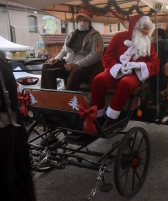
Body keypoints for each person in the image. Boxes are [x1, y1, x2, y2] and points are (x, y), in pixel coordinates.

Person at [91, 15, 160, 128]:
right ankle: (98, 115)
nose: (146, 31)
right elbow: (107, 57)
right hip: (117, 69)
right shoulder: (119, 37)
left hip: (135, 73)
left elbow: (155, 63)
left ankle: (111, 118)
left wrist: (139, 65)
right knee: (98, 80)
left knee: (125, 83)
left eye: (148, 28)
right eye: (144, 28)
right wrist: (119, 68)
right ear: (136, 26)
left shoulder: (149, 43)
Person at [0, 57, 36, 201]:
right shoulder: (71, 38)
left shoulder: (92, 37)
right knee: (49, 68)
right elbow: (64, 51)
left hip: (81, 65)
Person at [41, 9, 104, 91]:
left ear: (89, 22)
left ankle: (68, 99)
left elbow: (96, 54)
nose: (82, 22)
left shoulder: (95, 36)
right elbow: (64, 50)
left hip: (85, 68)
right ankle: (48, 97)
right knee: (47, 67)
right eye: (80, 20)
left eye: (85, 20)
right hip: (68, 65)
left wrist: (77, 64)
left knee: (75, 72)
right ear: (77, 22)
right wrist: (56, 59)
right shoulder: (71, 34)